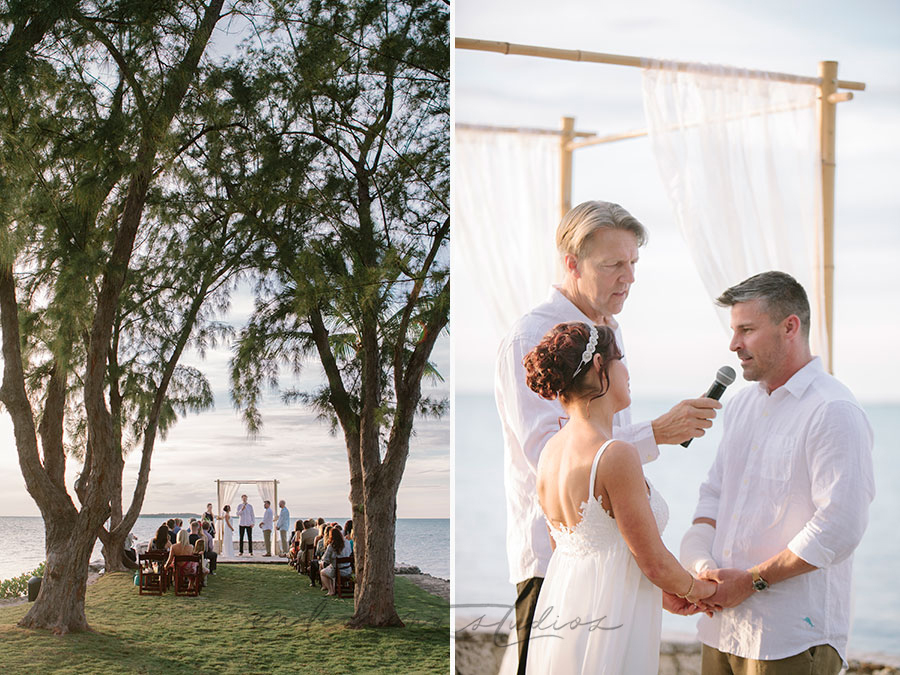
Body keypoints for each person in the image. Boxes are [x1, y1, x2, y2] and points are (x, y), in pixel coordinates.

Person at [495, 200, 722, 673]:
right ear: (572, 264)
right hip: (555, 570)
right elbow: (557, 459)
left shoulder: (607, 334)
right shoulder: (531, 337)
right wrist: (657, 432)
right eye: (614, 264)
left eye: (634, 263)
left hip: (617, 572)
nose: (629, 277)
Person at [679, 271, 874, 674]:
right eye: (734, 331)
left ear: (790, 327)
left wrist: (750, 582)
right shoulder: (740, 406)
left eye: (746, 330)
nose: (734, 345)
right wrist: (699, 568)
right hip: (719, 629)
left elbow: (840, 525)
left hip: (789, 636)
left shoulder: (832, 410)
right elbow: (713, 495)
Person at [521, 322, 716, 673]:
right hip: (610, 624)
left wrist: (659, 592)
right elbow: (652, 559)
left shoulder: (549, 453)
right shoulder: (615, 454)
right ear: (599, 364)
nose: (626, 371)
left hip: (567, 609)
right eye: (620, 360)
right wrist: (696, 589)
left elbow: (564, 548)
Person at [319, 528, 353, 596]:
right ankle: (333, 588)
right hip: (348, 569)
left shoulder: (332, 546)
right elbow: (350, 552)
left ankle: (331, 590)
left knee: (322, 572)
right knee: (329, 569)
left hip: (337, 570)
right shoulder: (347, 543)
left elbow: (326, 559)